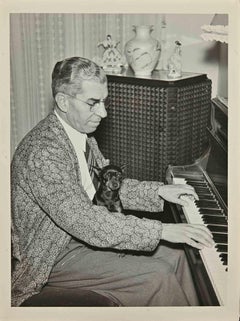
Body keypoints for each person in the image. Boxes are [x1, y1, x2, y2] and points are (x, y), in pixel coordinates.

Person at [11, 56, 214, 307]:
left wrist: (159, 191)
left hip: (81, 237)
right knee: (156, 277)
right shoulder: (44, 152)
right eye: (93, 103)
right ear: (63, 101)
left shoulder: (79, 134)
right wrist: (162, 230)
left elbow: (104, 187)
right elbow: (84, 220)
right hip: (52, 253)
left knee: (177, 257)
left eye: (104, 102)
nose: (103, 113)